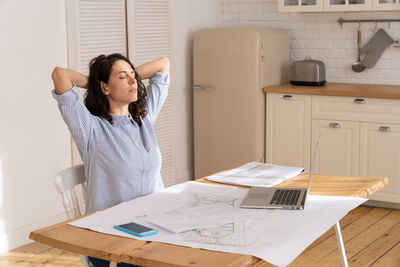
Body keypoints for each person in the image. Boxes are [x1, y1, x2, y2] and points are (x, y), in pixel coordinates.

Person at [51, 54, 170, 267]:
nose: (134, 81)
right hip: (112, 240)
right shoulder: (91, 128)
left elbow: (163, 64)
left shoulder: (144, 118)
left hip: (153, 229)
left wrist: (124, 78)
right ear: (105, 88)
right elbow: (60, 74)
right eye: (123, 77)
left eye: (134, 76)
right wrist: (97, 83)